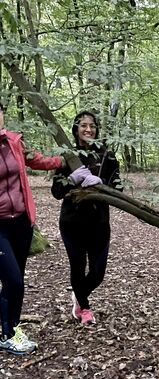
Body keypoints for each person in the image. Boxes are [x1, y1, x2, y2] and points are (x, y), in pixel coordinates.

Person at [0, 102, 65, 354]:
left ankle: (11, 328)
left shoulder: (15, 142)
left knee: (16, 280)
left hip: (21, 223)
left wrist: (63, 161)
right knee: (13, 281)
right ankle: (8, 334)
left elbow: (36, 161)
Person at [51, 111, 122, 325]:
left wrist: (100, 182)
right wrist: (72, 180)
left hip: (99, 222)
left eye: (91, 126)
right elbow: (56, 191)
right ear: (76, 129)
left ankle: (79, 293)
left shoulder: (107, 156)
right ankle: (84, 307)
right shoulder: (68, 155)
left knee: (98, 271)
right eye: (83, 125)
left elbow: (118, 186)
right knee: (78, 266)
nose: (88, 129)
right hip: (72, 222)